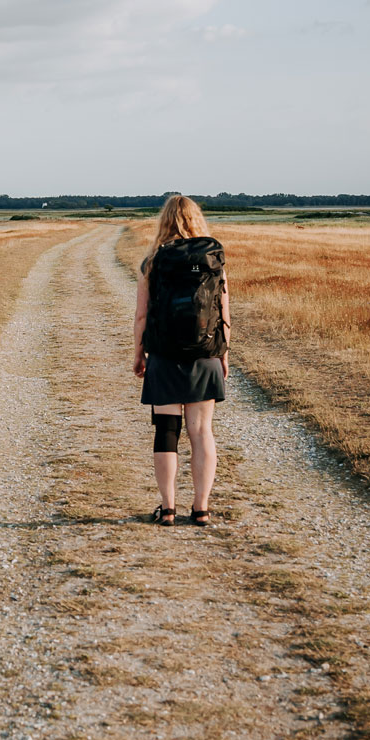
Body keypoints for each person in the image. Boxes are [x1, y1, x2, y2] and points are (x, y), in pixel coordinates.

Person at [132, 195, 230, 527]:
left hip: (164, 356)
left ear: (164, 222)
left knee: (166, 432)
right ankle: (201, 509)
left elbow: (142, 316)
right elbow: (223, 313)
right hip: (205, 355)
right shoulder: (213, 259)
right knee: (202, 431)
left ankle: (169, 508)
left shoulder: (154, 261)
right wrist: (223, 353)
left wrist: (138, 353)